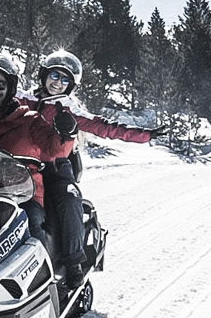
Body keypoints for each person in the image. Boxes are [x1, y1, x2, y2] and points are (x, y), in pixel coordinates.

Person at [29, 49, 159, 280]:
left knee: (68, 199)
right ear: (44, 75)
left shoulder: (68, 108)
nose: (57, 83)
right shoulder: (25, 99)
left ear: (71, 85)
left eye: (65, 79)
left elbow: (105, 127)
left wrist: (144, 135)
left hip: (54, 169)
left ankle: (73, 263)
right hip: (21, 167)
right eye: (54, 75)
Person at [0, 50, 75, 243]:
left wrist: (66, 133)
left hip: (23, 196)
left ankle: (41, 260)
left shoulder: (29, 120)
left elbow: (56, 149)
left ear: (10, 86)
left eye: (0, 85)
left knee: (30, 225)